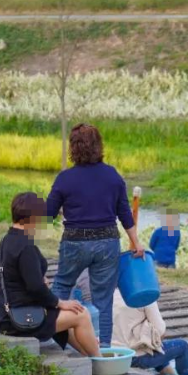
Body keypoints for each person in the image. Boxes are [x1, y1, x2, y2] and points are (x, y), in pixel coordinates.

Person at [47, 123, 144, 348]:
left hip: (74, 241)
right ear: (99, 146)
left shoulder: (65, 179)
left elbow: (47, 214)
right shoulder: (113, 176)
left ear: (73, 148)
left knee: (61, 287)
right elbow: (124, 214)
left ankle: (53, 341)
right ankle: (103, 352)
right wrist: (136, 243)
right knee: (103, 301)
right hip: (107, 242)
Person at [0, 192, 101, 357]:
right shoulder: (26, 246)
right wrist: (59, 302)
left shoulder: (7, 240)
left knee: (71, 317)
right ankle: (101, 362)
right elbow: (35, 287)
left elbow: (17, 276)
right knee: (81, 314)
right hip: (20, 319)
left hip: (7, 314)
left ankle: (88, 356)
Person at [112, 289, 188, 375]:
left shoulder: (107, 294)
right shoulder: (144, 295)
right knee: (182, 346)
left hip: (112, 356)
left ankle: (166, 370)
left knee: (154, 346)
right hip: (136, 358)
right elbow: (160, 331)